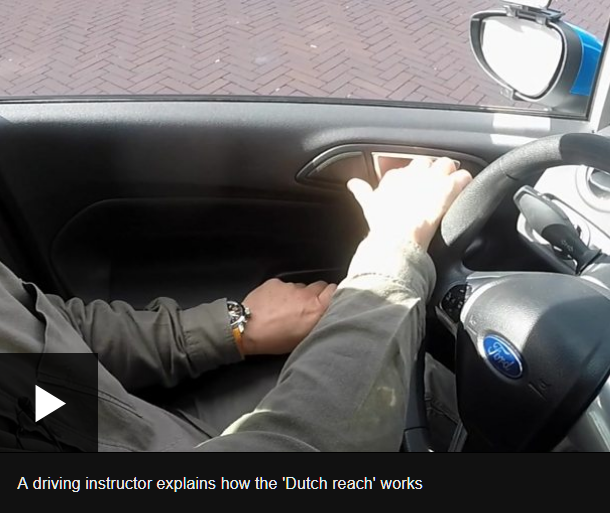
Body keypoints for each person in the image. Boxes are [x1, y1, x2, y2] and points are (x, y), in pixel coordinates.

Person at [0, 156, 471, 451]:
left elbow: (48, 329)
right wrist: (393, 251)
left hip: (128, 426)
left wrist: (237, 326)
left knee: (416, 383)